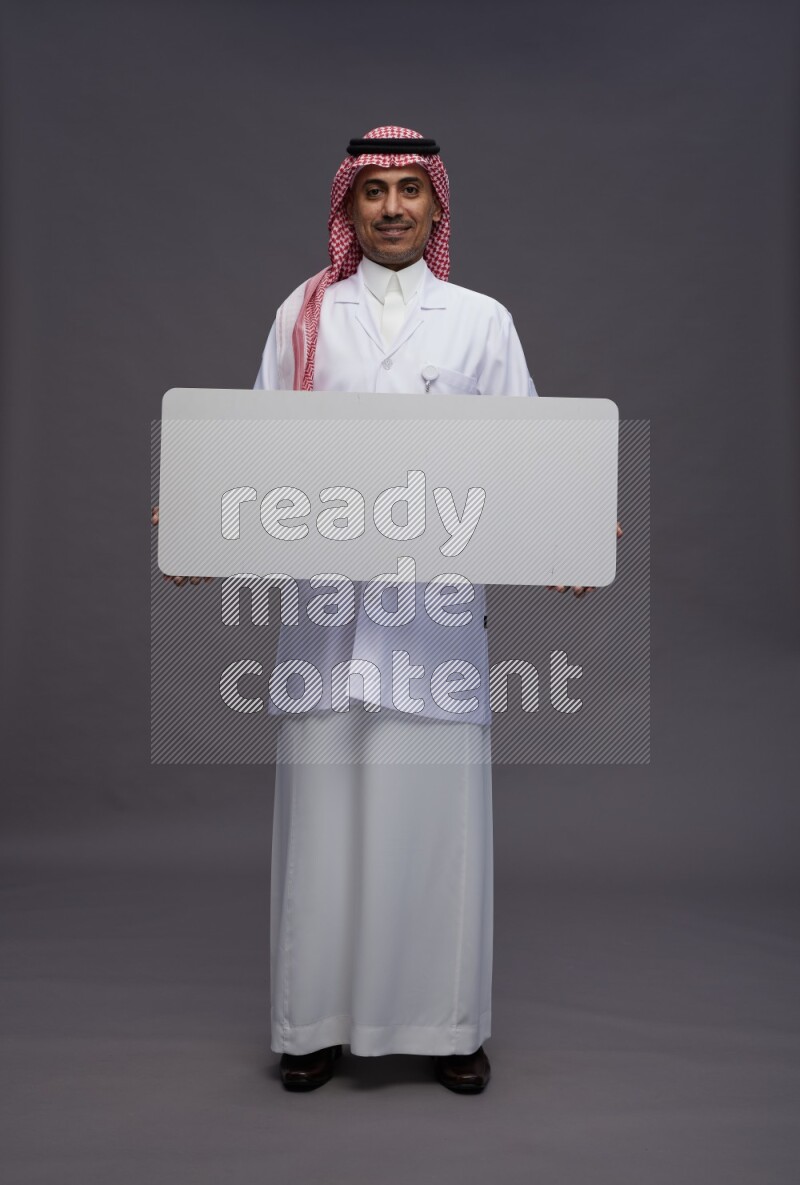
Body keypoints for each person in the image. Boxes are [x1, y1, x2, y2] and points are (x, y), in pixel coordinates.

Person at [154, 124, 618, 1093]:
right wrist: (200, 522)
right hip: (327, 616)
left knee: (435, 822)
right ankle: (309, 1023)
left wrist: (574, 529)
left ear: (437, 207)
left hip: (432, 619)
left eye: (411, 189)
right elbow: (249, 446)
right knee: (322, 821)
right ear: (348, 206)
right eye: (376, 192)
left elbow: (533, 452)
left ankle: (446, 1028)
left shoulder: (479, 321)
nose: (394, 207)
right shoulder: (304, 315)